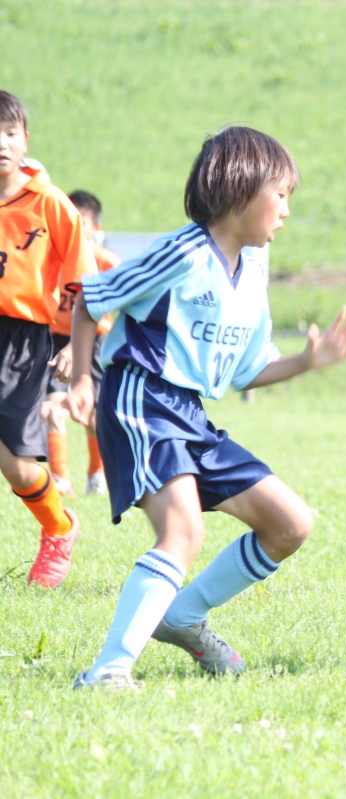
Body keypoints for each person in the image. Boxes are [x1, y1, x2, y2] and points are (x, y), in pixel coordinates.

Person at [68, 126, 346, 689]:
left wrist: (309, 361)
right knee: (182, 531)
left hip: (189, 414)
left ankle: (182, 617)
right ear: (240, 188)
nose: (286, 211)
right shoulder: (182, 252)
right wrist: (83, 377)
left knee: (290, 524)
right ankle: (107, 670)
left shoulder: (253, 270)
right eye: (281, 195)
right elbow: (93, 298)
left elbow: (248, 370)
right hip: (141, 396)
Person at [0, 90, 92, 588]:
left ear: (25, 140)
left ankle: (58, 525)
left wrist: (74, 345)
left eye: (10, 133)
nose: (2, 143)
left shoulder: (49, 202)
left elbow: (85, 279)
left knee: (17, 467)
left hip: (21, 341)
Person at [40, 190, 120, 498]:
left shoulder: (106, 262)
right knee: (51, 406)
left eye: (81, 221)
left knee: (92, 414)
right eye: (69, 218)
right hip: (56, 339)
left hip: (94, 341)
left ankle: (96, 473)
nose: (74, 225)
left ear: (96, 227)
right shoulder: (50, 257)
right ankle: (60, 478)